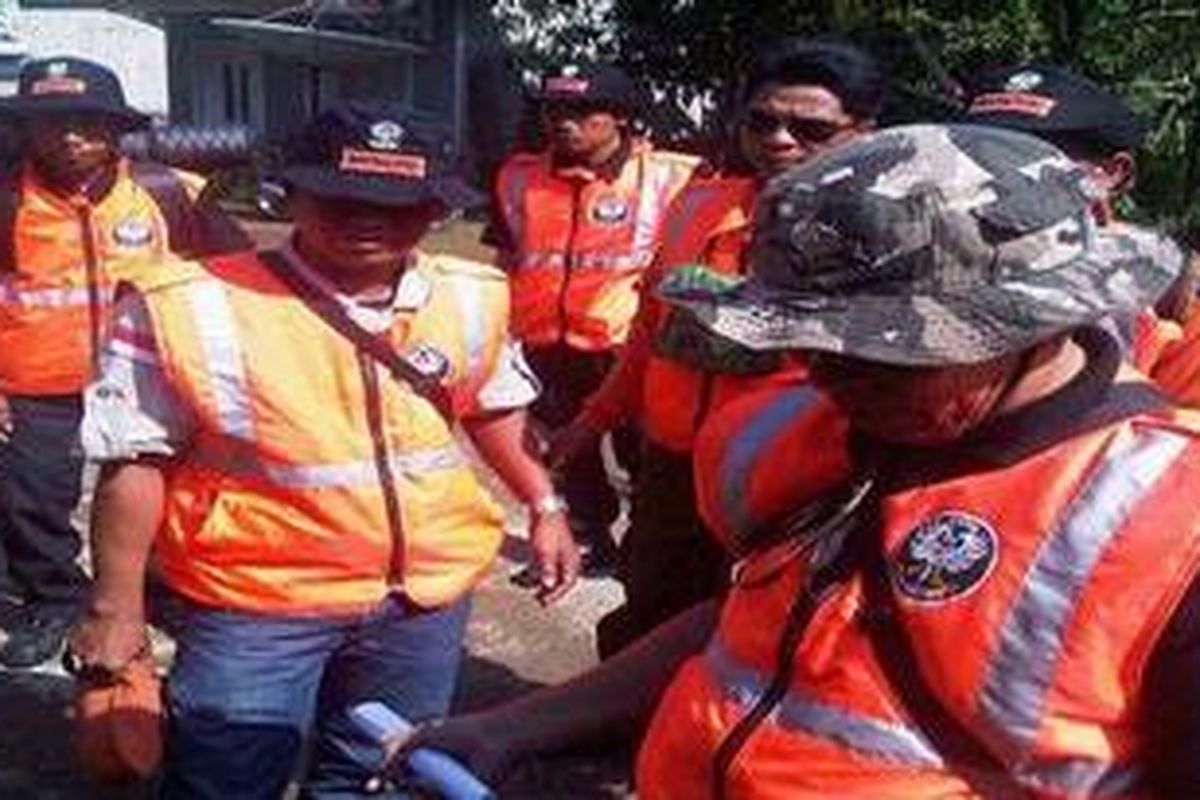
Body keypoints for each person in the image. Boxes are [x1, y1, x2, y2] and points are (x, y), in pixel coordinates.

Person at [385, 125, 1200, 798]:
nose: (834, 378)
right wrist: (514, 727)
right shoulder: (819, 431)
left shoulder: (1167, 523)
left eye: (888, 352)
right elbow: (751, 621)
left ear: (1034, 324)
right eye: (811, 346)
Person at [66, 103, 579, 798]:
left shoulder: (472, 295)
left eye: (400, 204)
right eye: (342, 197)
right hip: (259, 602)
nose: (369, 219)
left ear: (435, 209)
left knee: (374, 773)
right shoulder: (187, 304)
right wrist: (115, 609)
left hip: (421, 603)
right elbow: (136, 462)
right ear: (292, 192)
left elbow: (492, 405)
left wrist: (543, 503)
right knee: (225, 780)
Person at [551, 39, 881, 655]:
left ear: (862, 133)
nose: (780, 139)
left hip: (790, 476)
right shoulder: (701, 203)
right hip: (673, 469)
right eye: (763, 121)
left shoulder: (879, 234)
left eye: (810, 128)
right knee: (647, 614)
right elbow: (651, 329)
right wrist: (593, 420)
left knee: (760, 635)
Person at [0, 56, 248, 668]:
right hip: (36, 381)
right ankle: (54, 597)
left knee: (167, 490)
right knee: (28, 499)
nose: (69, 136)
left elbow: (241, 278)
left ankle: (162, 586)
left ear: (116, 128)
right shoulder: (6, 199)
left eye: (87, 121)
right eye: (49, 123)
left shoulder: (168, 193)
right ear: (24, 130)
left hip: (150, 383)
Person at [488, 63, 699, 573]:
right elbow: (505, 258)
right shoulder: (517, 176)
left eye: (583, 111)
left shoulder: (673, 177)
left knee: (649, 457)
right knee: (564, 451)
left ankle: (650, 553)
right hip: (544, 344)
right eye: (554, 109)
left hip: (629, 348)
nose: (565, 121)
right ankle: (589, 537)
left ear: (622, 118)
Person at [962, 63, 1199, 387]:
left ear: (1115, 174)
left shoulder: (1172, 292)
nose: (998, 171)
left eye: (1033, 155)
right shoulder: (913, 263)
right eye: (977, 152)